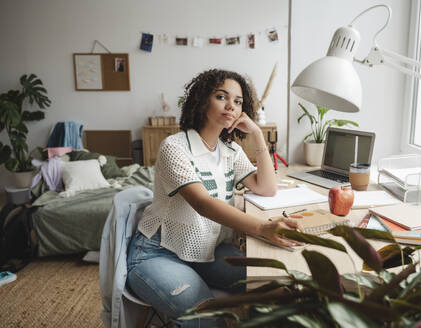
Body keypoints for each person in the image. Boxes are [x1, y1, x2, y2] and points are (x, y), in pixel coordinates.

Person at [126, 69, 302, 327]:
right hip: (158, 254)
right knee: (211, 320)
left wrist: (256, 134)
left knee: (275, 286)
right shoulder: (174, 147)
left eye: (238, 101)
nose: (231, 105)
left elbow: (266, 188)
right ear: (202, 100)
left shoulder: (230, 150)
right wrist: (263, 228)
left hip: (207, 251)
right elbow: (203, 204)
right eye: (222, 96)